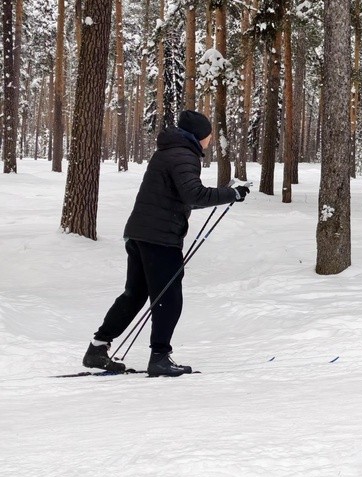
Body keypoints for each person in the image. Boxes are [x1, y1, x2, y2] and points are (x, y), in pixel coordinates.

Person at [82, 110, 250, 376]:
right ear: (199, 135)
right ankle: (160, 357)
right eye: (208, 136)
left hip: (141, 233)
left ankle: (97, 348)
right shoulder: (184, 155)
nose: (209, 141)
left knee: (135, 295)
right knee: (168, 298)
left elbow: (183, 198)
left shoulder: (169, 151)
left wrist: (228, 195)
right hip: (160, 238)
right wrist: (232, 194)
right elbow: (194, 194)